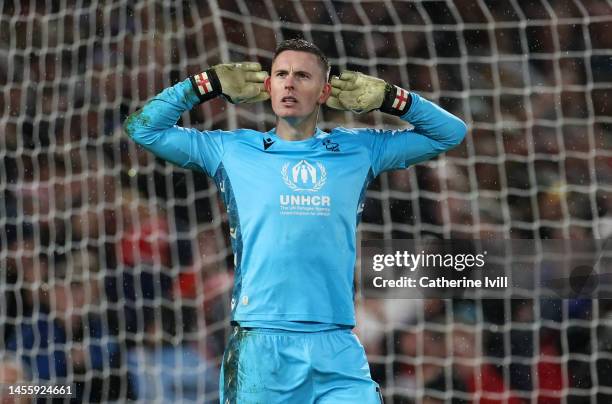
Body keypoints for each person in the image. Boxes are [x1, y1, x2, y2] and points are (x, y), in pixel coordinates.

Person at [124, 38, 466, 403]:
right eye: (281, 74)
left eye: (303, 75)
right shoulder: (231, 149)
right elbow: (143, 129)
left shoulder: (359, 148)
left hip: (336, 347)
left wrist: (391, 98)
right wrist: (207, 84)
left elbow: (451, 133)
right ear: (267, 87)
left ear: (324, 92)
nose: (289, 83)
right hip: (260, 346)